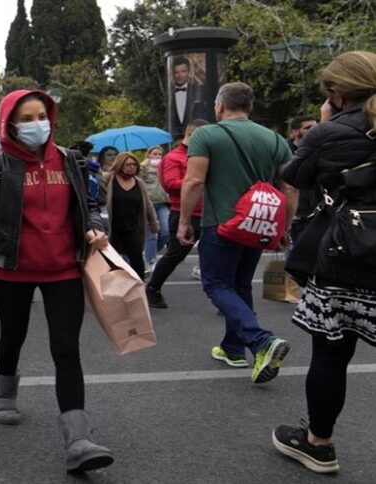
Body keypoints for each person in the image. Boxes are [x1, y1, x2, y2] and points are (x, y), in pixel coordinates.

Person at [0, 90, 114, 474]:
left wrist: (94, 228)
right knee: (13, 335)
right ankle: (4, 393)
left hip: (65, 269)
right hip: (13, 269)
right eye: (26, 118)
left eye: (41, 115)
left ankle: (78, 439)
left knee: (66, 349)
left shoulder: (70, 161)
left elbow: (88, 206)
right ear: (10, 123)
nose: (36, 123)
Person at [272, 51, 376, 474]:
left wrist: (325, 122)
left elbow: (294, 175)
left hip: (345, 258)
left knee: (332, 355)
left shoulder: (329, 132)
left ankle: (318, 444)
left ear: (336, 92)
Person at [178, 82, 295, 382]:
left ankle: (261, 341)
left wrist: (184, 221)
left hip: (221, 223)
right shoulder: (274, 138)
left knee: (216, 284)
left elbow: (193, 182)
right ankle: (232, 349)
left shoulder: (207, 134)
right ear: (249, 106)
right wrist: (284, 226)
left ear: (219, 105)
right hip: (258, 223)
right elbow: (291, 187)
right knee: (240, 286)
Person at [145, 120, 210, 308]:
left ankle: (225, 298)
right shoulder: (174, 158)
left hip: (207, 213)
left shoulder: (202, 155)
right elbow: (170, 184)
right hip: (184, 214)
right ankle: (152, 289)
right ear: (192, 134)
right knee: (175, 255)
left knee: (215, 255)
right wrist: (195, 181)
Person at [105, 152, 159, 278]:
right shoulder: (108, 179)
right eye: (128, 164)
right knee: (112, 261)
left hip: (133, 227)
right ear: (120, 165)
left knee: (137, 260)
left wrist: (154, 223)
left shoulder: (139, 183)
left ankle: (139, 287)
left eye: (134, 164)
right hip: (113, 228)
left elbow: (147, 204)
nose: (132, 167)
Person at [286, 114, 319, 243]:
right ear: (295, 132)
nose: (314, 131)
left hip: (314, 213)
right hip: (290, 214)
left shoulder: (320, 152)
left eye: (316, 127)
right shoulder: (284, 151)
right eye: (308, 128)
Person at [141, 145, 170, 272]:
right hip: (150, 204)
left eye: (160, 154)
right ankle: (151, 260)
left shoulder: (165, 167)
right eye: (155, 154)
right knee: (152, 234)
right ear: (149, 155)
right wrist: (143, 164)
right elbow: (137, 178)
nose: (157, 156)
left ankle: (151, 251)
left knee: (166, 232)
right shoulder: (144, 168)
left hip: (163, 203)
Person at [170, 56, 211, 137]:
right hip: (175, 139)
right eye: (176, 72)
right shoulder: (169, 92)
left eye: (183, 71)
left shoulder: (197, 90)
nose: (180, 75)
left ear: (188, 72)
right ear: (173, 73)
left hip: (196, 137)